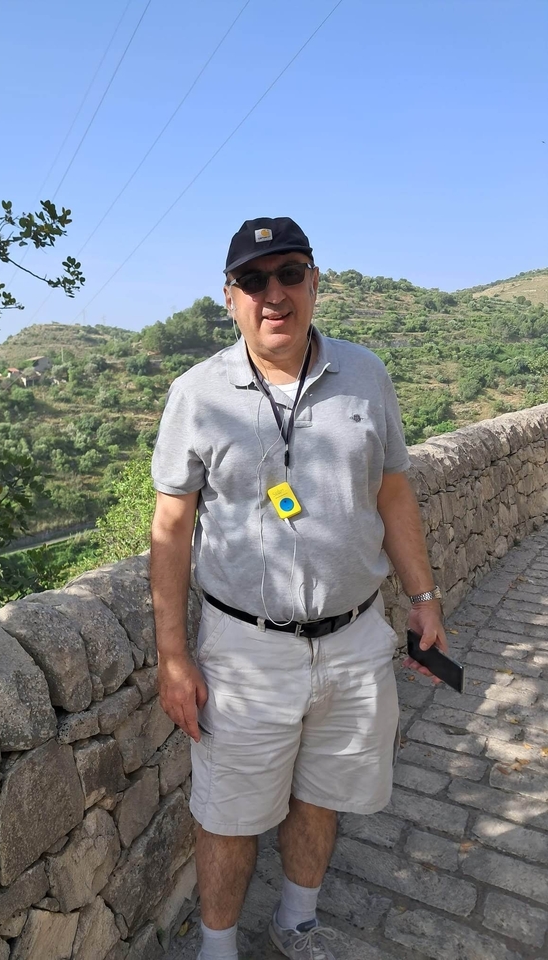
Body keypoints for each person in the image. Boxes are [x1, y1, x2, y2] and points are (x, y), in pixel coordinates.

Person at [149, 216, 447, 960]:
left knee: (324, 792)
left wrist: (424, 598)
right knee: (228, 815)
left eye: (288, 274)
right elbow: (171, 527)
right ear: (229, 297)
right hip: (245, 652)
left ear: (316, 282)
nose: (272, 294)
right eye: (254, 280)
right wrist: (173, 657)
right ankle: (218, 951)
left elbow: (393, 493)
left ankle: (297, 921)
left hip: (353, 638)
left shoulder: (366, 373)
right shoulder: (196, 393)